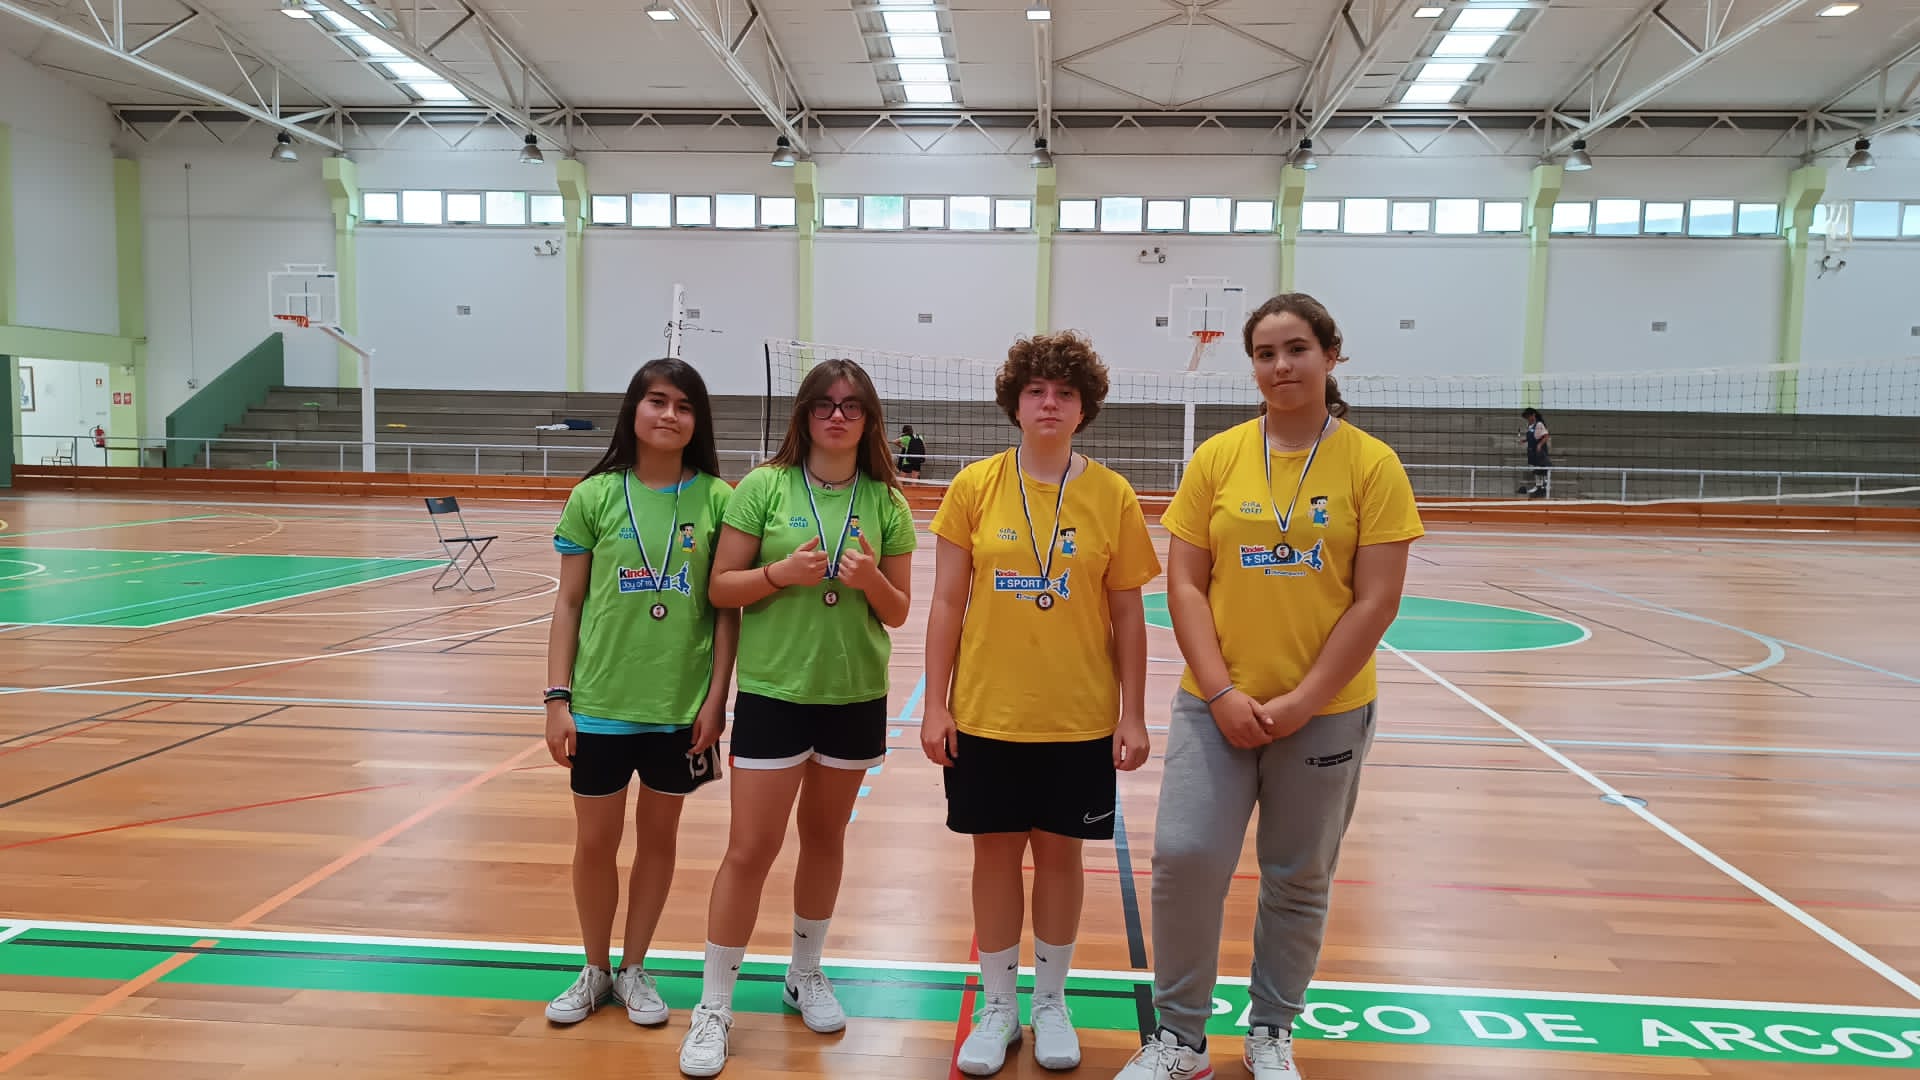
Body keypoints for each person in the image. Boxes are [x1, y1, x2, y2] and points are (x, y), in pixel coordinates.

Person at [1114, 293, 1424, 1080]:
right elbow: (1185, 584)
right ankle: (1180, 1040)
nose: (1281, 365)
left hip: (1325, 714)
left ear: (1330, 355)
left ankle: (1272, 1030)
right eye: (1265, 353)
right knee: (1185, 857)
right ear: (1252, 365)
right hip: (1214, 707)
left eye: (1296, 349)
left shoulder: (1372, 465)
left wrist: (1303, 701)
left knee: (1297, 875)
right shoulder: (1218, 459)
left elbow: (1376, 601)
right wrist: (1221, 693)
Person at [921, 331, 1159, 1076]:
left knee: (1061, 858)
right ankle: (998, 1007)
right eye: (1036, 391)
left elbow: (1128, 615)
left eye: (1064, 393)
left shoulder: (1113, 495)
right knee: (994, 857)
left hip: (1080, 717)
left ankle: (1051, 1001)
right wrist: (935, 705)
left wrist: (1133, 712)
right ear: (1015, 404)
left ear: (1084, 408)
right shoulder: (974, 487)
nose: (1049, 403)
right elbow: (946, 602)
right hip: (987, 712)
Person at [678, 358, 919, 1077]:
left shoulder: (888, 501)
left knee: (824, 840)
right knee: (750, 849)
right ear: (805, 414)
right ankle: (714, 1005)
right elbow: (721, 588)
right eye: (824, 404)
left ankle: (804, 972)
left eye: (851, 406)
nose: (837, 416)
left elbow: (899, 612)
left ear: (869, 419)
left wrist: (869, 579)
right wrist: (781, 574)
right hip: (774, 694)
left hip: (853, 696)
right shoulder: (763, 487)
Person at [541, 357, 737, 1029]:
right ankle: (595, 969)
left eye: (684, 405)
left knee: (659, 840)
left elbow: (727, 611)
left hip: (679, 712)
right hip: (599, 707)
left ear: (697, 421)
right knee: (595, 843)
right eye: (657, 401)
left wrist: (716, 700)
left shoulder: (719, 500)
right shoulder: (595, 495)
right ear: (634, 409)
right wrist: (557, 699)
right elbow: (568, 603)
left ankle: (634, 968)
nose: (669, 415)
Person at [1519, 408, 1551, 498]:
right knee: (1534, 468)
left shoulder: (1539, 424)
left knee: (1541, 467)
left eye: (1528, 417)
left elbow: (1546, 436)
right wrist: (1524, 440)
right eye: (1526, 418)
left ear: (1533, 415)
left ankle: (1544, 486)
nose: (1527, 419)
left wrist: (1540, 445)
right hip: (1531, 451)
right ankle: (1538, 486)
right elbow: (1532, 437)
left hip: (1539, 451)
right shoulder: (1529, 425)